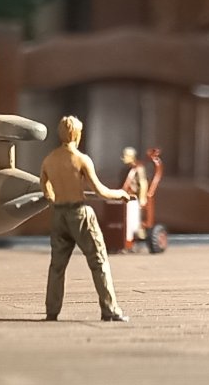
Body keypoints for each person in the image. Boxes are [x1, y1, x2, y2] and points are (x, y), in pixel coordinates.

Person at [39, 116, 131, 322]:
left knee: (57, 266)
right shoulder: (81, 159)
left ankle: (52, 311)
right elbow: (100, 191)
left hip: (59, 215)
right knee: (98, 261)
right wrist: (120, 194)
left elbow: (45, 189)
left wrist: (56, 199)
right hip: (78, 214)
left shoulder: (49, 160)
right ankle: (110, 309)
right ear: (76, 134)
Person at [121, 146, 149, 240]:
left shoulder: (138, 168)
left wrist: (142, 198)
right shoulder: (126, 169)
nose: (123, 157)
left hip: (133, 199)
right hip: (125, 197)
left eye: (126, 155)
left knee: (132, 220)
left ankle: (131, 239)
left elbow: (143, 183)